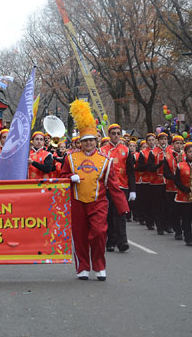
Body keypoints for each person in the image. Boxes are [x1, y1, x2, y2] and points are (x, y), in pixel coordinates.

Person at [60, 100, 129, 281]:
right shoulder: (71, 159)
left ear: (96, 141)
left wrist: (123, 207)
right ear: (80, 143)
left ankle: (99, 265)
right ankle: (83, 267)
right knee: (80, 236)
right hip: (77, 201)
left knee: (98, 233)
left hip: (98, 202)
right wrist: (69, 178)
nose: (88, 143)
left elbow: (113, 185)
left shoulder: (105, 160)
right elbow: (62, 178)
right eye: (85, 141)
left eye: (91, 140)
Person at [100, 124, 135, 253]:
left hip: (122, 187)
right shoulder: (102, 150)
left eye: (118, 133)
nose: (116, 136)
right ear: (109, 134)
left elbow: (131, 171)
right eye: (113, 133)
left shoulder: (126, 150)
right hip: (107, 187)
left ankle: (122, 242)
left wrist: (133, 190)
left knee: (121, 214)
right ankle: (111, 241)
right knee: (109, 215)